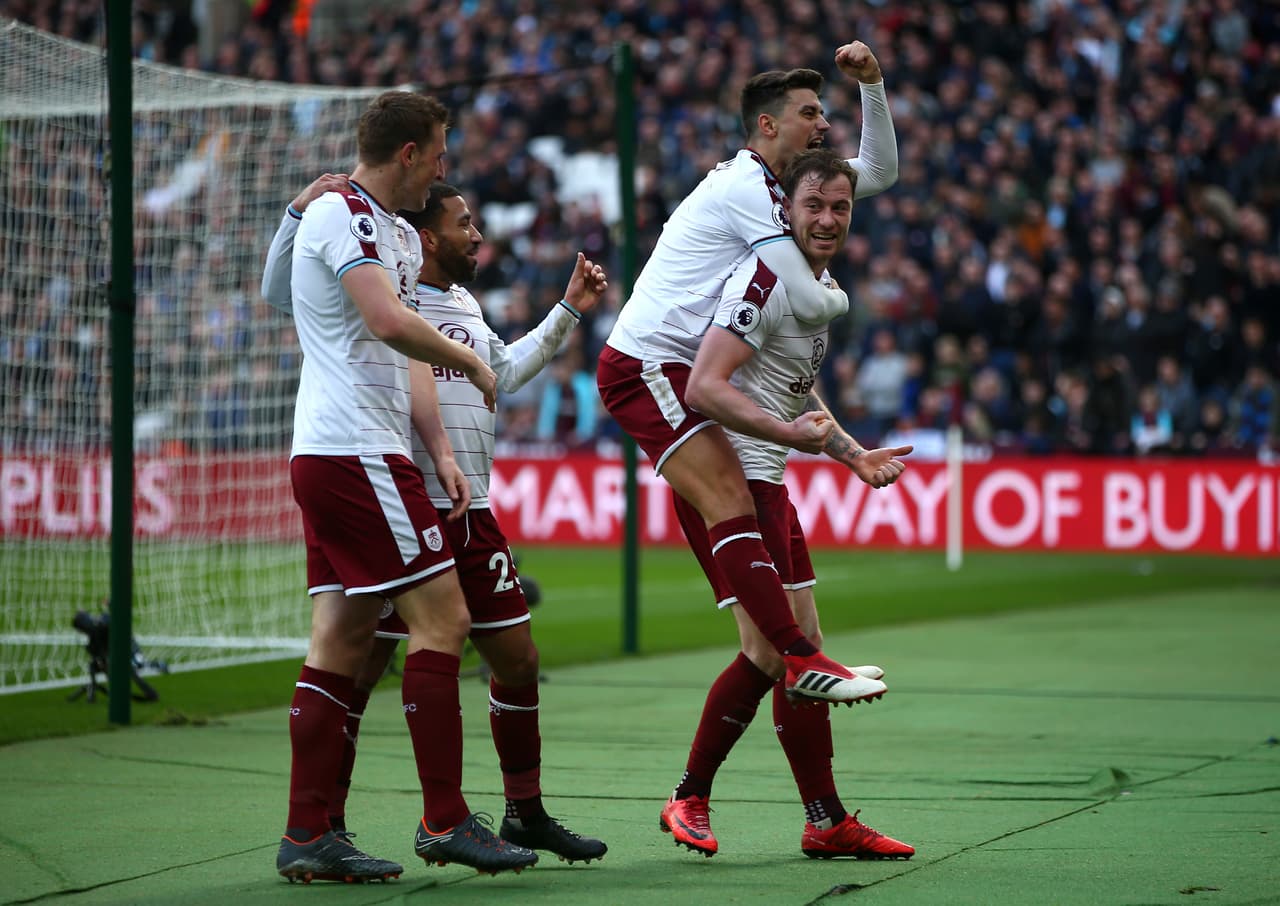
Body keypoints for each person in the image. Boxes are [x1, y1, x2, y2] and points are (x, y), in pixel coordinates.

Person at [265, 180, 610, 865]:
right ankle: (336, 821)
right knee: (363, 660)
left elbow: (501, 371)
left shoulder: (461, 302)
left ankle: (523, 812)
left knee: (517, 658)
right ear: (426, 236)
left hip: (468, 505)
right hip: (402, 498)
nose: (477, 235)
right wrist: (298, 210)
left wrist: (568, 310)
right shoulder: (374, 289)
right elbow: (294, 292)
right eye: (464, 222)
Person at [261, 90, 538, 882]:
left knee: (342, 643)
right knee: (443, 618)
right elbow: (384, 323)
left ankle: (308, 834)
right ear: (409, 153)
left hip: (358, 448)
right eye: (441, 152)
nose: (446, 168)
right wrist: (478, 363)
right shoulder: (342, 214)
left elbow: (388, 343)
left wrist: (440, 445)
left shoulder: (386, 229)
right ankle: (445, 819)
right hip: (355, 451)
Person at [597, 42, 900, 714]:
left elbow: (877, 171)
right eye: (810, 113)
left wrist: (872, 85)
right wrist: (845, 298)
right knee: (733, 499)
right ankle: (801, 657)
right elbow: (816, 298)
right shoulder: (744, 189)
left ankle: (801, 679)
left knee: (742, 510)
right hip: (646, 363)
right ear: (769, 126)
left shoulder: (778, 189)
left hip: (684, 366)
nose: (823, 125)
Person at [664, 149, 913, 860]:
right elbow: (706, 382)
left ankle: (826, 819)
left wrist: (850, 451)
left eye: (841, 206)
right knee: (774, 653)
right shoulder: (766, 277)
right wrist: (790, 441)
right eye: (815, 205)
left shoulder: (812, 282)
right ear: (785, 211)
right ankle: (689, 794)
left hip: (769, 479)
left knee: (802, 647)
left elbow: (795, 385)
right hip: (731, 480)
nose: (829, 218)